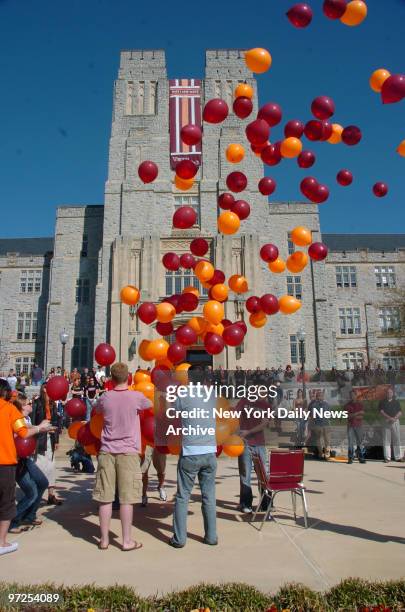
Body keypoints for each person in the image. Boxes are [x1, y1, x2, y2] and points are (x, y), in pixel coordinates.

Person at [92, 362, 151, 551]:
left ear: (111, 378)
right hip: (128, 452)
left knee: (105, 498)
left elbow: (96, 407)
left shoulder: (106, 397)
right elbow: (149, 404)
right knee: (127, 498)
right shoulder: (136, 397)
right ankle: (126, 541)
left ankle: (104, 540)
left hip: (107, 450)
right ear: (128, 377)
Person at [0, 379, 51, 556]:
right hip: (5, 462)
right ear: (5, 392)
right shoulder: (9, 410)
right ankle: (2, 542)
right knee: (6, 503)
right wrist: (40, 428)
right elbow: (24, 432)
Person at [170, 367, 217, 548]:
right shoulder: (211, 394)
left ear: (188, 378)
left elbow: (174, 413)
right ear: (204, 378)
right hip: (209, 452)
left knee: (183, 497)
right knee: (209, 497)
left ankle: (180, 539)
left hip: (191, 452)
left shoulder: (183, 394)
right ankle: (211, 537)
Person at [9, 394, 50, 533]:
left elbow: (29, 427)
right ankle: (13, 521)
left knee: (43, 482)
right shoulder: (14, 417)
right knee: (31, 492)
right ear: (22, 406)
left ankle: (30, 515)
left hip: (25, 458)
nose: (31, 404)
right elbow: (23, 432)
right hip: (16, 460)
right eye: (28, 402)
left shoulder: (25, 418)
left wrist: (43, 427)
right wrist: (40, 428)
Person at [236, 398, 270, 514]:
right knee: (245, 475)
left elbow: (264, 423)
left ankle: (266, 504)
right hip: (245, 444)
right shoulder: (243, 402)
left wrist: (248, 432)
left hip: (260, 444)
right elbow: (235, 416)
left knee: (263, 475)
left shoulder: (265, 404)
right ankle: (245, 504)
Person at [31, 385, 62, 505]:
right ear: (44, 389)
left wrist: (57, 440)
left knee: (51, 466)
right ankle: (35, 496)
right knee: (40, 466)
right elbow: (33, 422)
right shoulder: (37, 403)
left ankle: (51, 495)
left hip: (51, 438)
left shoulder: (53, 404)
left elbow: (56, 423)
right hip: (40, 439)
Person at [379, 387, 402, 462]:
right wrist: (389, 418)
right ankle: (387, 458)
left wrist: (394, 418)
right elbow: (381, 412)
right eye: (388, 392)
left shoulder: (396, 402)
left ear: (393, 393)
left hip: (395, 421)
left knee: (397, 439)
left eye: (391, 392)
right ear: (386, 394)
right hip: (386, 422)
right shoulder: (382, 402)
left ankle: (398, 457)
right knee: (386, 440)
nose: (389, 393)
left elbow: (400, 412)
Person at [345, 390, 366, 464]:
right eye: (351, 395)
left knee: (360, 443)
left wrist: (353, 415)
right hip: (350, 426)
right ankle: (350, 458)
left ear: (356, 395)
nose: (352, 396)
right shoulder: (347, 405)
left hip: (359, 426)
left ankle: (361, 458)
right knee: (350, 443)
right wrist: (357, 413)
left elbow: (362, 416)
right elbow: (347, 416)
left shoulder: (360, 404)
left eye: (353, 395)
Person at [309, 389, 331, 460]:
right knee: (318, 440)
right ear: (317, 397)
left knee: (327, 440)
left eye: (321, 396)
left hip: (326, 424)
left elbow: (329, 413)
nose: (320, 397)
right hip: (318, 425)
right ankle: (321, 453)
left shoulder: (326, 404)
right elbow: (313, 416)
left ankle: (326, 454)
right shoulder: (314, 405)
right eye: (319, 396)